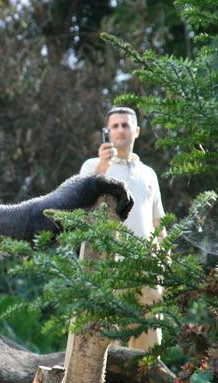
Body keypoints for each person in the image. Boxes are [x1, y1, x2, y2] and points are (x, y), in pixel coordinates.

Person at [80, 106, 166, 351]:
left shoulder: (148, 174)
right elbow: (80, 205)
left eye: (125, 125)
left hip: (146, 265)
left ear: (136, 131)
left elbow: (159, 221)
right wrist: (102, 169)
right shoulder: (92, 166)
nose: (120, 130)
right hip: (107, 265)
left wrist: (164, 263)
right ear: (108, 131)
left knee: (149, 342)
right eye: (115, 126)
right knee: (105, 340)